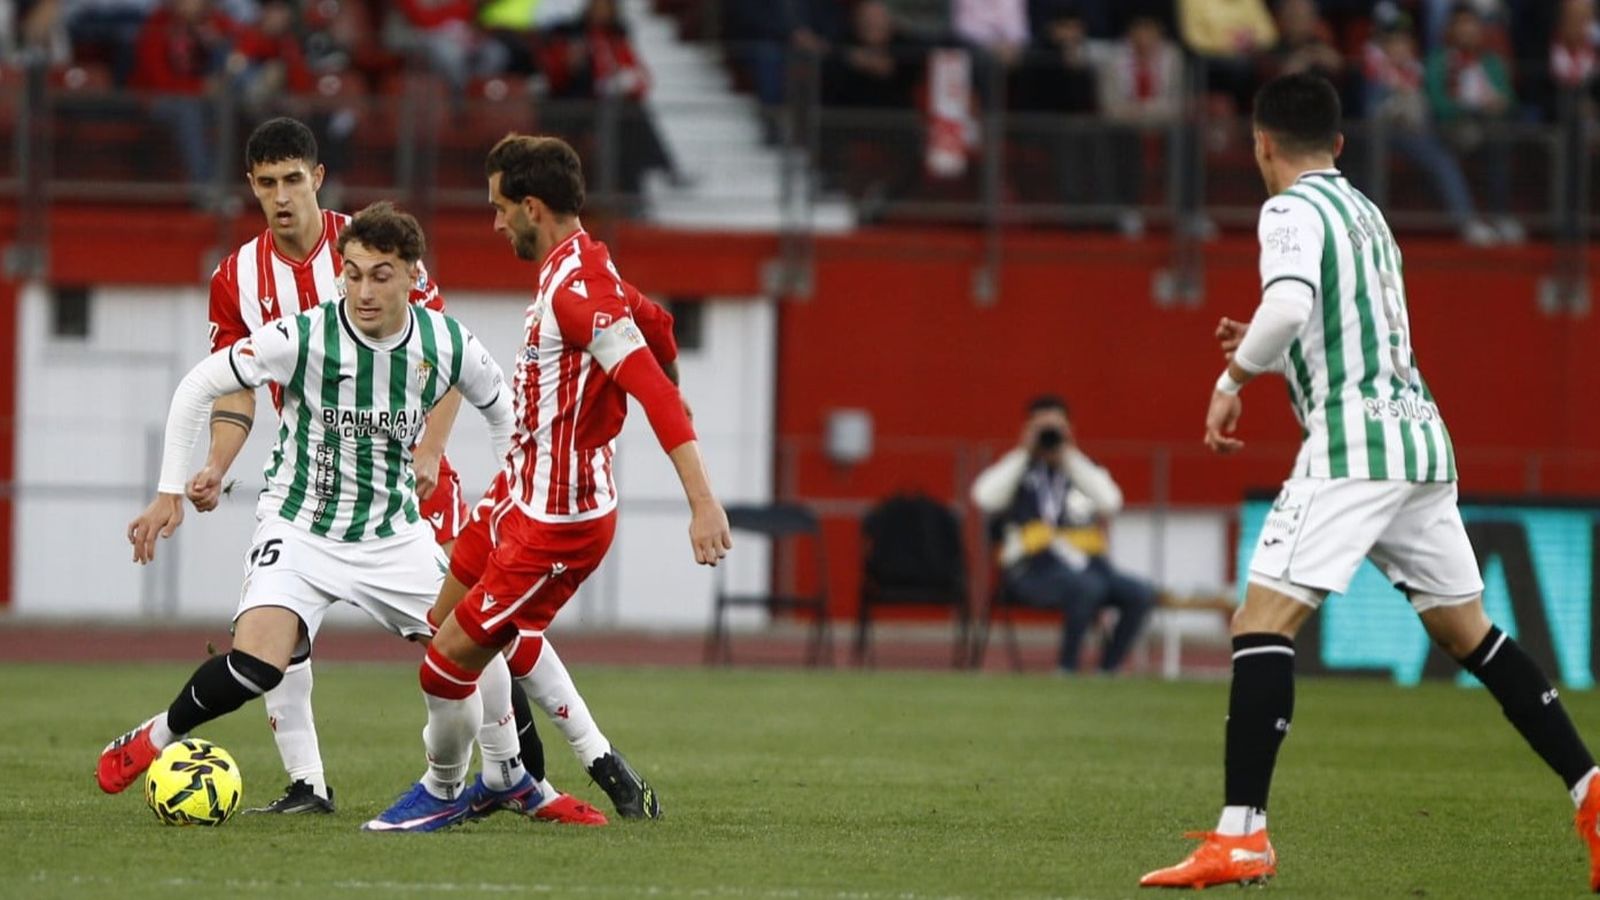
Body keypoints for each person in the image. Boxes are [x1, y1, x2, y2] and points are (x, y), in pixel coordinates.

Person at [1138, 72, 1600, 891]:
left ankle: (1242, 833)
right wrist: (1272, 342)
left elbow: (1288, 308)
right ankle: (1592, 790)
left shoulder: (1288, 209)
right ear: (1341, 144)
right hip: (1422, 442)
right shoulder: (1368, 213)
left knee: (1260, 621)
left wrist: (1232, 377)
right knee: (1471, 636)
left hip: (1355, 450)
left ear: (1262, 142)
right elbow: (1338, 327)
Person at [196, 117, 644, 824]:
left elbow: (442, 354)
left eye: (292, 179)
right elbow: (234, 386)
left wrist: (432, 448)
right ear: (251, 187)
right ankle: (310, 784)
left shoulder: (377, 243)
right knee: (280, 622)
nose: (282, 196)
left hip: (409, 482)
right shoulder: (236, 279)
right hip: (313, 486)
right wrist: (216, 464)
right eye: (266, 183)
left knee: (490, 626)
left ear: (316, 178)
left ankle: (556, 768)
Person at [96, 204, 537, 820]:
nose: (362, 290)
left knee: (473, 645)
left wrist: (508, 507)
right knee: (255, 664)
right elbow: (201, 384)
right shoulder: (303, 334)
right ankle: (155, 738)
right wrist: (171, 487)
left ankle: (501, 777)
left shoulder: (446, 340)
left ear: (413, 276)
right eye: (352, 274)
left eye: (380, 276)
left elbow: (506, 416)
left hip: (392, 533)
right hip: (300, 525)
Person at [363, 134, 732, 833]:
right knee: (440, 628)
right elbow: (657, 325)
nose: (495, 223)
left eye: (501, 209)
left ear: (533, 207)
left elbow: (649, 386)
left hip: (557, 527)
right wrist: (671, 378)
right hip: (515, 496)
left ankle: (446, 793)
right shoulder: (584, 268)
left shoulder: (576, 288)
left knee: (442, 670)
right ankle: (516, 775)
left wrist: (702, 501)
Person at [970, 395, 1154, 675]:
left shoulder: (1080, 468)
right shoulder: (1018, 469)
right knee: (1085, 587)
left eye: (1055, 427)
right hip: (1033, 570)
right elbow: (984, 498)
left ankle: (1108, 669)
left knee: (1140, 593)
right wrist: (1024, 452)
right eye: (1041, 428)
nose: (1049, 435)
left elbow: (1111, 502)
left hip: (1090, 566)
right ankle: (1066, 668)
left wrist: (1069, 455)